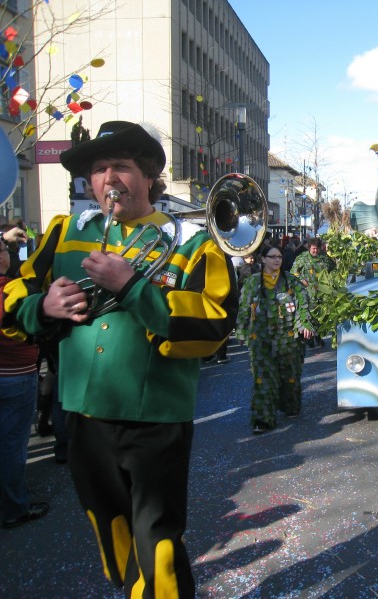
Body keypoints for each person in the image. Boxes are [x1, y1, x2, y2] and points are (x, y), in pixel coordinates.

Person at [1, 120, 237, 597]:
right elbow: (14, 295)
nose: (110, 178)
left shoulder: (193, 243)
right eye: (99, 169)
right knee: (110, 530)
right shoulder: (65, 233)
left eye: (123, 167)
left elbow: (212, 326)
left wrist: (132, 287)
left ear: (148, 176)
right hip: (85, 416)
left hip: (156, 419)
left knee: (159, 541)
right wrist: (42, 307)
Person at [237, 243, 314, 433]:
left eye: (279, 256)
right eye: (272, 257)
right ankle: (262, 419)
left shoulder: (291, 281)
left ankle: (290, 405)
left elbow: (303, 303)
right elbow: (244, 308)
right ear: (263, 259)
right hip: (260, 339)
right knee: (263, 379)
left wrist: (304, 323)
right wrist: (241, 330)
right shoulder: (253, 282)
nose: (277, 260)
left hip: (288, 338)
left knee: (290, 377)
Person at [0, 238, 49, 529]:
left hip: (16, 374)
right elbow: (32, 328)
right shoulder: (11, 288)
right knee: (11, 447)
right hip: (15, 375)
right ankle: (15, 507)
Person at [291, 237, 334, 348]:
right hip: (307, 293)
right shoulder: (302, 258)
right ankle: (310, 339)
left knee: (320, 317)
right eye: (314, 249)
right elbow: (293, 273)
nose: (315, 251)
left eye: (317, 249)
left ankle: (318, 337)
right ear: (309, 247)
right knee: (309, 316)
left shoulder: (324, 258)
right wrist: (300, 279)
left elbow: (333, 268)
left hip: (321, 292)